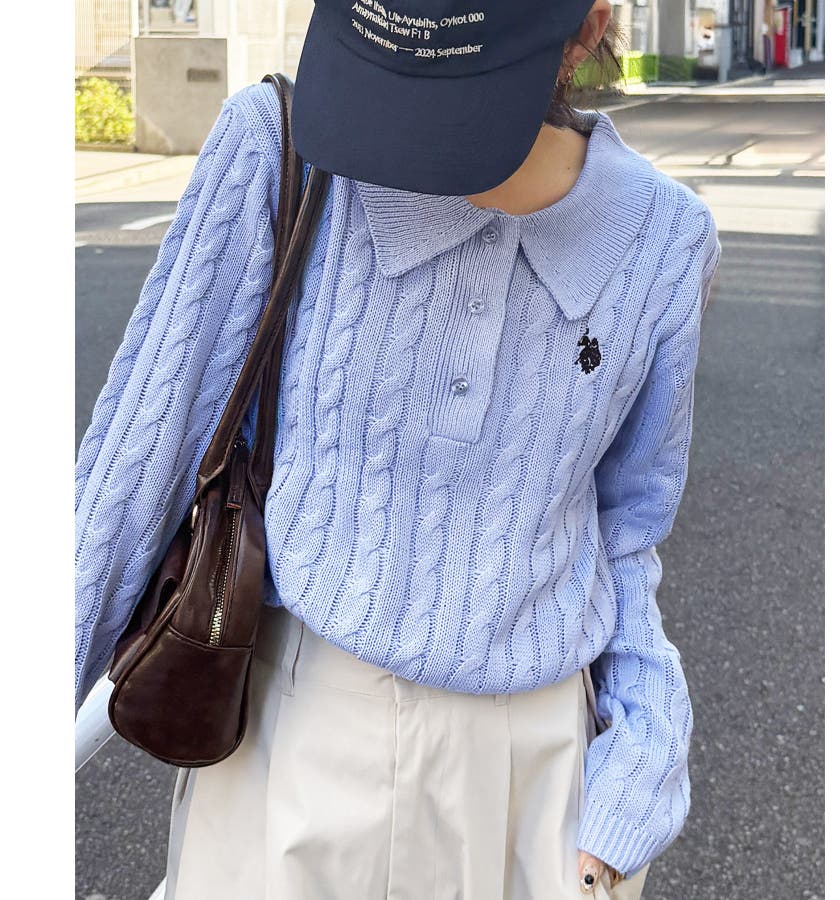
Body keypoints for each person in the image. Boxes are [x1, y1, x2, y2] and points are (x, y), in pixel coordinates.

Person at [74, 1, 721, 897]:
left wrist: (643, 748)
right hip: (288, 744)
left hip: (535, 783)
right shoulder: (283, 147)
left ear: (585, 29)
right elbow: (127, 479)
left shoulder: (663, 242)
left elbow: (627, 530)